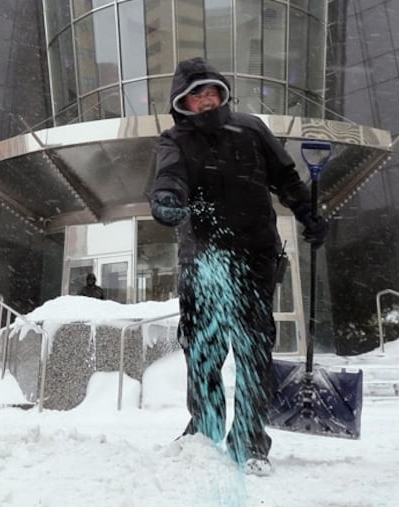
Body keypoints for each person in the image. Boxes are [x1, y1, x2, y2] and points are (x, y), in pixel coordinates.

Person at [149, 57, 328, 475]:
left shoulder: (250, 130)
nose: (207, 100)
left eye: (212, 91)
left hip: (253, 257)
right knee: (203, 351)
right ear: (182, 102)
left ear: (223, 92)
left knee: (252, 351)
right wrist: (168, 199)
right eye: (197, 95)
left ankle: (249, 442)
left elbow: (285, 178)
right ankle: (205, 431)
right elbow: (168, 178)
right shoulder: (173, 140)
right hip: (203, 261)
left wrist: (310, 215)